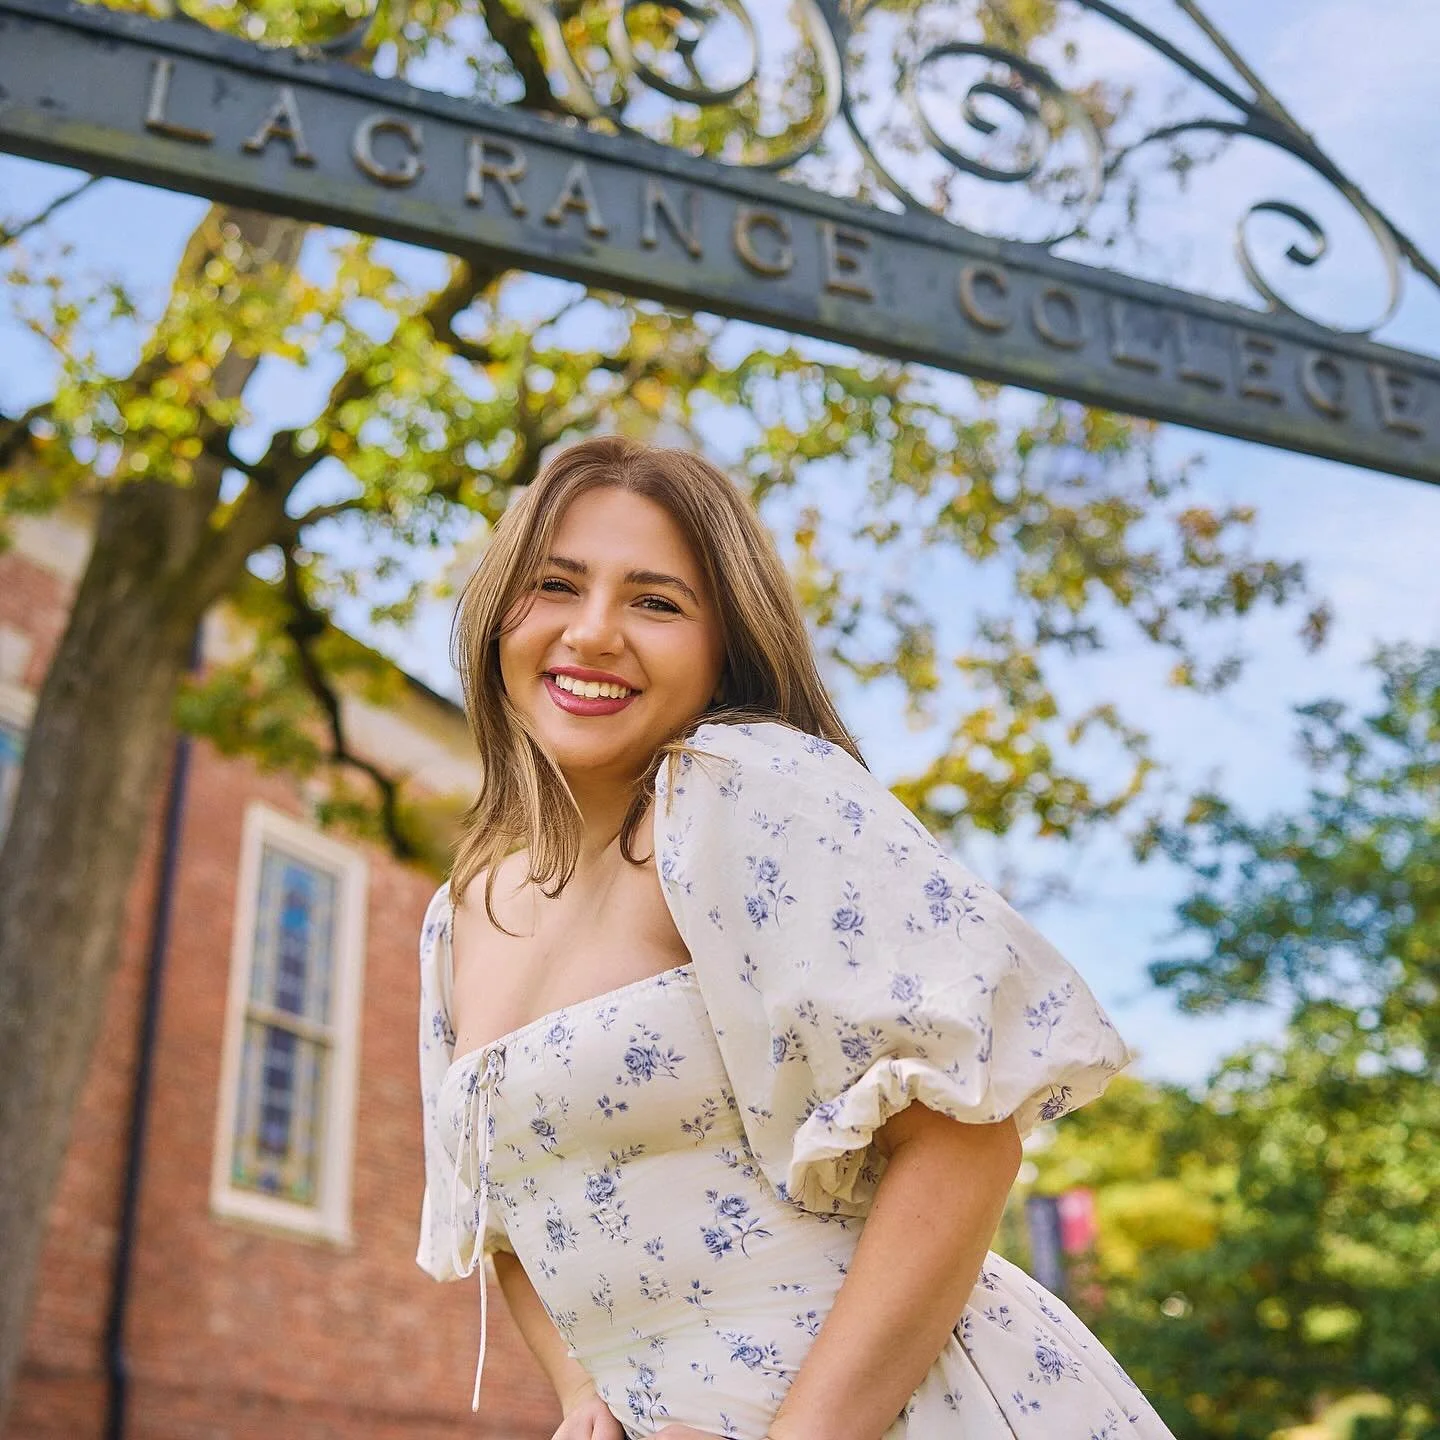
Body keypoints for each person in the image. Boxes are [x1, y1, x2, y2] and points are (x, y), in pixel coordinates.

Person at [416, 435, 1176, 1439]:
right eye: (556, 585)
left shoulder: (739, 790)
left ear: (723, 646)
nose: (593, 632)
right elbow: (505, 1217)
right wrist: (582, 1397)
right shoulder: (465, 911)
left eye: (656, 602)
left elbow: (963, 1142)